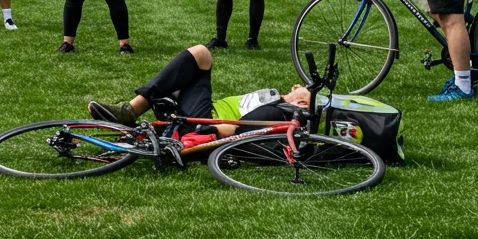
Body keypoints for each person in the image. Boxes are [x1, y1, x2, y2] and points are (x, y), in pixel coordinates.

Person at [87, 43, 312, 146]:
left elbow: (246, 130)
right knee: (199, 58)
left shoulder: (284, 113)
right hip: (200, 110)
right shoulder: (277, 98)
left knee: (201, 54)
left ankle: (131, 111)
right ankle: (132, 109)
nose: (301, 86)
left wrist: (214, 132)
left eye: (307, 90)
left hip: (202, 121)